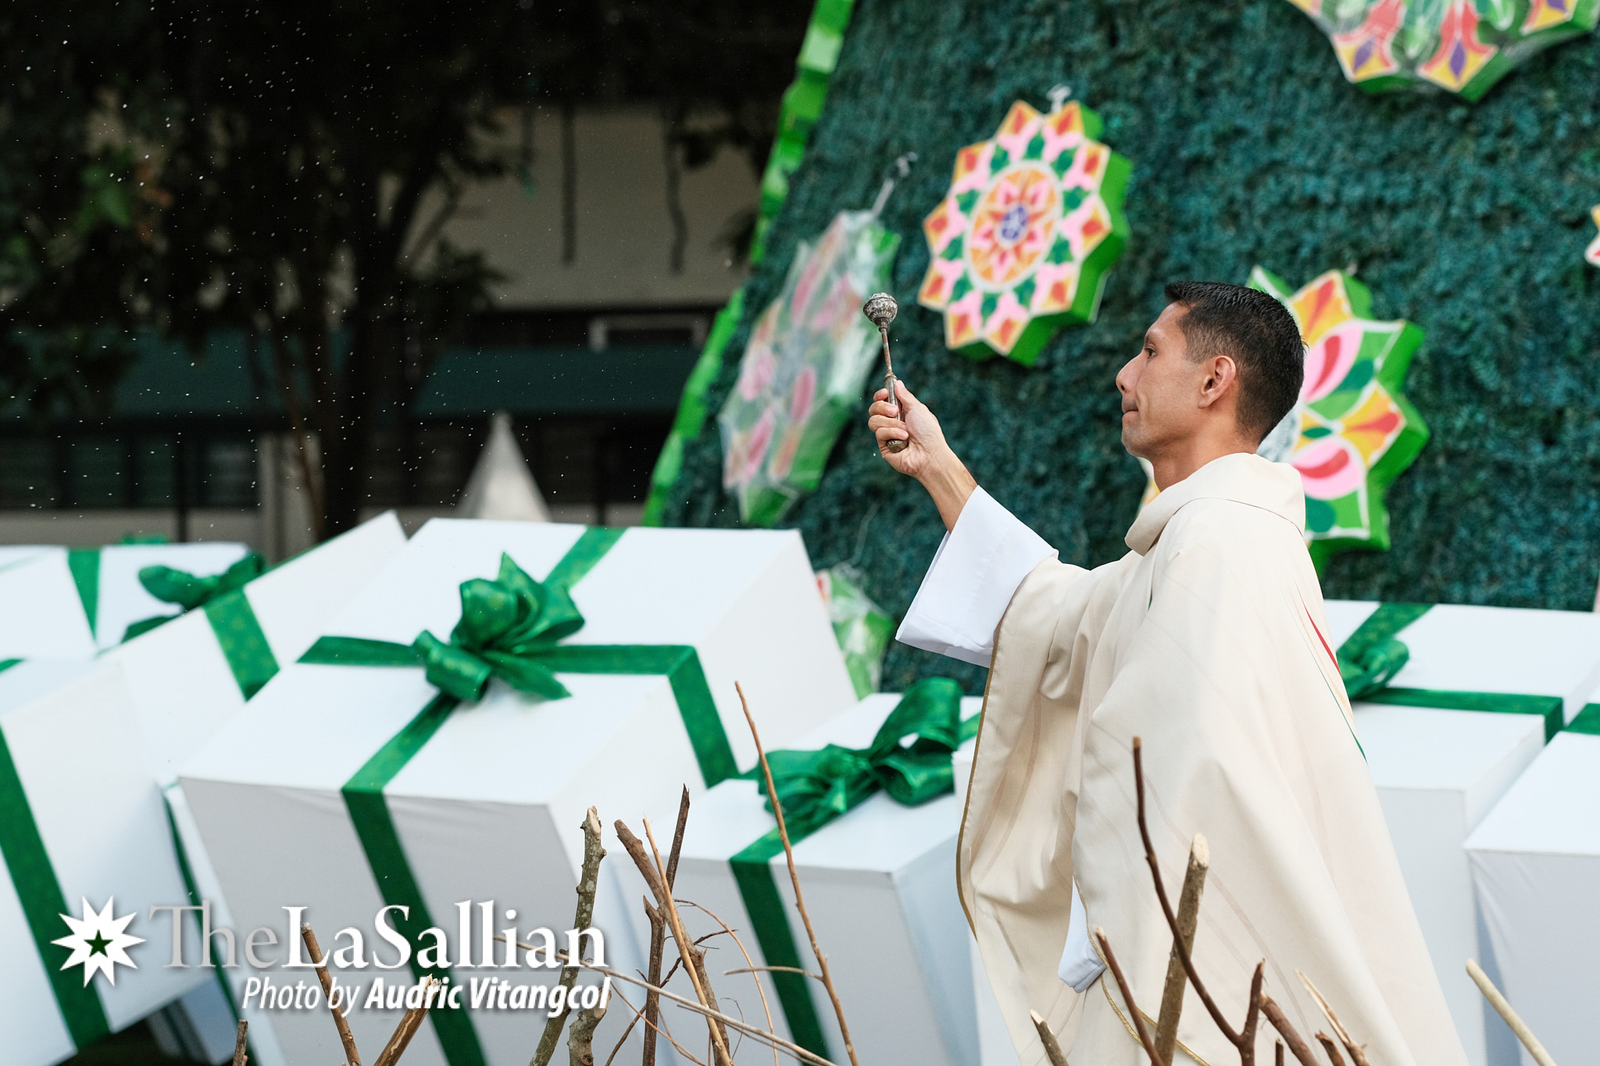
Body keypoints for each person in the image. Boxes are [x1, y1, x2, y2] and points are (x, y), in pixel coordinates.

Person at [867, 282, 1465, 1066]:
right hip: (1191, 950)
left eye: (1150, 352)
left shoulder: (1221, 544)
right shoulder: (1202, 538)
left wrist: (1111, 899)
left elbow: (1183, 767)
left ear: (1215, 380)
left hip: (1207, 966)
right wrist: (939, 468)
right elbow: (1057, 617)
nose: (1125, 374)